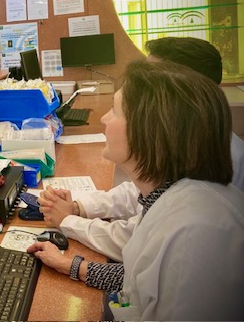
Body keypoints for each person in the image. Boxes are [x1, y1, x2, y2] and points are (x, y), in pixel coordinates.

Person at [28, 60, 244, 320]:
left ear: (151, 130)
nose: (104, 119)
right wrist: (71, 265)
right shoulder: (168, 197)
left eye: (115, 111)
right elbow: (138, 278)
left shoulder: (192, 235)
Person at [40, 37, 244, 262]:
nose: (140, 86)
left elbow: (140, 244)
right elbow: (140, 195)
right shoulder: (189, 145)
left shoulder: (210, 166)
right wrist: (79, 207)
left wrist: (70, 223)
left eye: (152, 78)